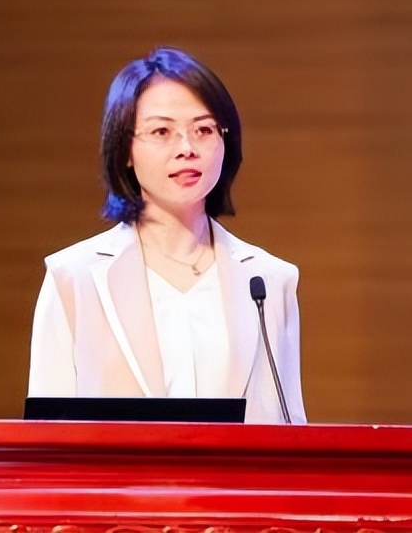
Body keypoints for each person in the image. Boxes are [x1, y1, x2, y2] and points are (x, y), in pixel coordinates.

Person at [27, 47, 306, 424]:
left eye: (203, 130)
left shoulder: (269, 281)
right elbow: (46, 438)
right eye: (162, 131)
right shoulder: (73, 279)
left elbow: (289, 429)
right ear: (125, 149)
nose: (187, 149)